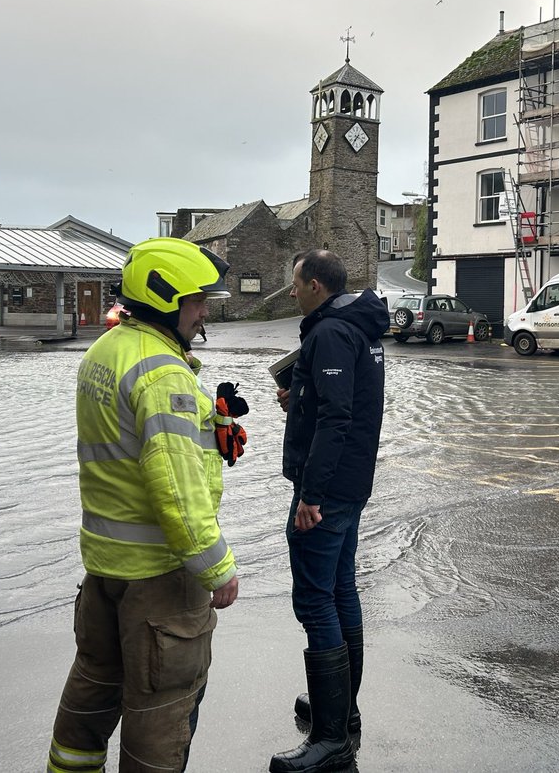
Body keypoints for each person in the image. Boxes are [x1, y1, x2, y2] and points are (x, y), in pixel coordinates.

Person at [47, 237, 244, 773]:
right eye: (197, 301)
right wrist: (217, 567)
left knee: (92, 691)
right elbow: (177, 491)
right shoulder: (164, 374)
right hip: (159, 578)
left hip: (105, 568)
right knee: (160, 713)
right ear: (165, 299)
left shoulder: (105, 351)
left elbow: (130, 450)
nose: (204, 312)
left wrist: (212, 423)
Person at [270, 249, 387, 773]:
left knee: (316, 601)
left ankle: (331, 738)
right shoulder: (356, 327)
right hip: (351, 481)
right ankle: (341, 711)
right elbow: (342, 401)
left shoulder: (331, 333)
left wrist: (311, 496)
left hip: (329, 489)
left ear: (315, 285)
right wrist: (299, 396)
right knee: (340, 589)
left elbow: (337, 416)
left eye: (296, 283)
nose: (292, 291)